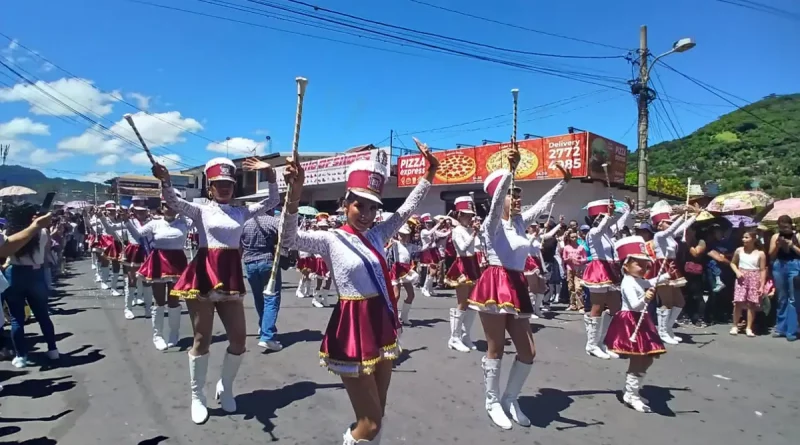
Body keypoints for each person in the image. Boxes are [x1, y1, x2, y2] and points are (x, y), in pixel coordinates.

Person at [281, 138, 436, 444]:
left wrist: (430, 174)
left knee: (379, 410)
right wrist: (294, 195)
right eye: (359, 205)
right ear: (345, 203)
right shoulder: (330, 239)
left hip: (381, 324)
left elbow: (407, 209)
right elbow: (288, 239)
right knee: (370, 422)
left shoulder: (379, 234)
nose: (366, 213)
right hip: (352, 326)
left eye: (372, 208)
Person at [152, 156, 278, 425]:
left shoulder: (240, 212)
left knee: (239, 340)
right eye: (219, 184)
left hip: (230, 276)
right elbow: (174, 202)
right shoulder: (200, 211)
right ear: (210, 187)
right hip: (203, 276)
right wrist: (165, 180)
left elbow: (271, 202)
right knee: (202, 339)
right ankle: (198, 396)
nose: (224, 188)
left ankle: (226, 386)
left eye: (229, 184)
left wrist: (271, 175)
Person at [468, 147, 570, 430]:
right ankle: (492, 401)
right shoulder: (491, 225)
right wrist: (509, 172)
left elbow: (543, 204)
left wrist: (563, 182)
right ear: (500, 196)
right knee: (496, 348)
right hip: (495, 283)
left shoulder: (521, 223)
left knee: (528, 351)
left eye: (519, 195)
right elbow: (497, 201)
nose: (518, 199)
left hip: (517, 284)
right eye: (513, 193)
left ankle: (510, 398)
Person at [604, 236, 669, 413]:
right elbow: (633, 305)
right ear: (626, 266)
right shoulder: (627, 282)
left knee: (648, 357)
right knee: (639, 357)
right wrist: (645, 297)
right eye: (638, 264)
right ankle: (631, 395)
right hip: (631, 321)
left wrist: (668, 274)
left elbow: (651, 282)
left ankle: (632, 390)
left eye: (645, 265)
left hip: (642, 319)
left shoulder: (639, 280)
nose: (644, 268)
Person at [125, 197, 189, 351]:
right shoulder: (155, 223)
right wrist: (127, 221)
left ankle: (174, 334)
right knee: (159, 301)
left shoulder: (184, 222)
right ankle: (157, 335)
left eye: (174, 205)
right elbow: (139, 234)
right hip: (159, 261)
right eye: (167, 205)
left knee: (174, 301)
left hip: (177, 262)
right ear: (162, 206)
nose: (170, 208)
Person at [1, 204, 60, 368]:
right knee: (42, 314)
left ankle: (21, 356)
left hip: (14, 274)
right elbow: (47, 251)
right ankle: (53, 350)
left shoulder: (8, 234)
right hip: (36, 274)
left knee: (16, 318)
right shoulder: (42, 232)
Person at [582, 198, 631, 360]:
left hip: (611, 271)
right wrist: (608, 215)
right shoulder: (593, 233)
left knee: (615, 306)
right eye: (600, 217)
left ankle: (602, 341)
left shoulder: (609, 233)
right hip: (598, 270)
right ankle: (592, 344)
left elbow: (620, 223)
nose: (603, 219)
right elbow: (602, 226)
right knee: (597, 306)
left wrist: (628, 210)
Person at [648, 203, 697, 345]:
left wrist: (694, 215)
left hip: (673, 267)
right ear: (659, 224)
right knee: (667, 302)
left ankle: (668, 329)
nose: (670, 224)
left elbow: (682, 227)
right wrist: (682, 214)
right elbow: (673, 228)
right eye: (667, 222)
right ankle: (662, 331)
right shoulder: (659, 236)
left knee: (680, 302)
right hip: (662, 268)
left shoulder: (670, 236)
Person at [241, 196, 284, 351]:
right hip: (268, 262)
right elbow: (285, 241)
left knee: (259, 297)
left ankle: (263, 325)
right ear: (270, 209)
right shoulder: (274, 222)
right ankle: (268, 336)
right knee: (271, 298)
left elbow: (240, 245)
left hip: (249, 263)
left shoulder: (245, 223)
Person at [444, 196, 481, 352]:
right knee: (462, 302)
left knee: (472, 303)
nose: (469, 217)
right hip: (462, 265)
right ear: (459, 215)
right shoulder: (457, 231)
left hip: (472, 265)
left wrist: (477, 232)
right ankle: (454, 337)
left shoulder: (469, 229)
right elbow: (463, 248)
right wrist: (474, 234)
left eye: (470, 215)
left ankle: (465, 335)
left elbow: (478, 246)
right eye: (465, 214)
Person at [730, 229, 767, 337]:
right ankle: (735, 325)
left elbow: (762, 270)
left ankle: (749, 327)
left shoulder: (760, 253)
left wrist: (762, 285)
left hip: (754, 277)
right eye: (743, 237)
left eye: (747, 237)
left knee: (751, 303)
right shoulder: (739, 250)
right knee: (738, 302)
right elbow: (733, 263)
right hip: (742, 277)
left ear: (754, 239)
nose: (744, 239)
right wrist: (737, 272)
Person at [768, 215, 800, 341]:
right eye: (781, 227)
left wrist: (792, 245)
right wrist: (777, 246)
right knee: (782, 298)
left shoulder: (797, 236)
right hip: (779, 265)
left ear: (790, 225)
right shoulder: (776, 236)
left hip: (794, 265)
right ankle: (781, 328)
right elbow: (771, 255)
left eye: (785, 227)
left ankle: (791, 330)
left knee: (793, 299)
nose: (783, 229)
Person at [562, 229, 587, 312]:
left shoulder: (581, 248)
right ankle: (572, 304)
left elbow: (585, 258)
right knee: (570, 287)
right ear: (569, 238)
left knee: (578, 288)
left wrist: (580, 260)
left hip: (578, 269)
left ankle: (581, 306)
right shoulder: (566, 248)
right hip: (570, 269)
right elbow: (564, 259)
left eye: (576, 237)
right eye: (572, 237)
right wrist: (569, 258)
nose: (574, 239)